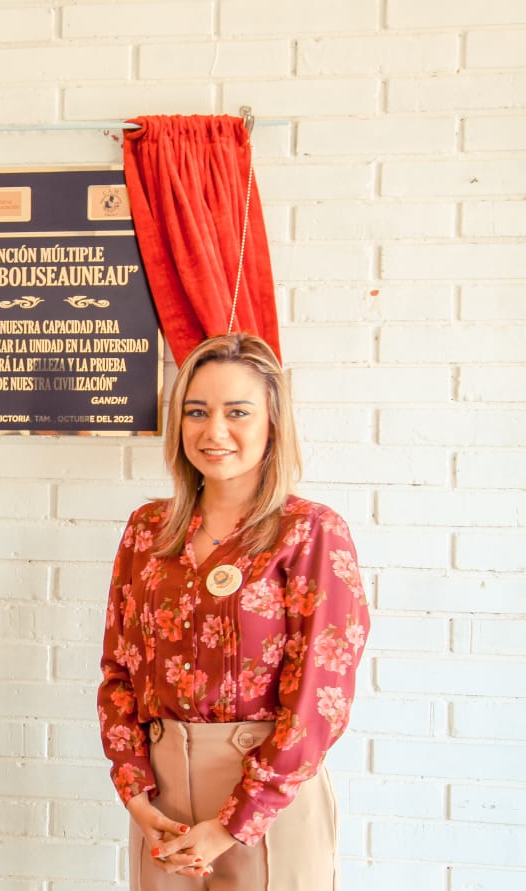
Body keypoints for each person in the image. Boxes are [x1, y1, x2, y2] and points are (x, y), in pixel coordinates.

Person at [97, 333, 370, 889]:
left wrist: (233, 824)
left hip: (269, 799)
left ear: (272, 422)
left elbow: (321, 695)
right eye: (196, 412)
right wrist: (138, 799)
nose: (213, 431)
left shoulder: (311, 532)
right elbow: (119, 673)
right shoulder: (147, 530)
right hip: (162, 807)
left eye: (237, 412)